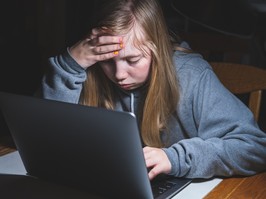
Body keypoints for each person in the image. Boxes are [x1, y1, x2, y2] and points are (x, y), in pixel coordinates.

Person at [38, 0, 266, 180]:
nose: (119, 74)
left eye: (133, 59)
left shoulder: (191, 75)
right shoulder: (87, 70)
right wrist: (69, 66)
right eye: (107, 61)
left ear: (157, 49)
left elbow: (256, 148)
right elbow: (44, 143)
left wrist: (175, 158)